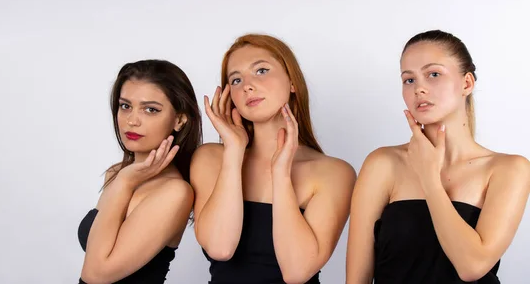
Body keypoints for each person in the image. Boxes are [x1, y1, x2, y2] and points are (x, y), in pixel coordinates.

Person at [345, 30, 530, 284]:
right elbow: (357, 279)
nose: (419, 88)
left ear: (466, 83)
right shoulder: (382, 163)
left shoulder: (509, 169)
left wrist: (430, 179)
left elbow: (471, 266)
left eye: (434, 74)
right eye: (408, 80)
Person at [190, 33, 357, 284]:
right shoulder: (210, 159)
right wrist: (234, 151)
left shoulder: (334, 173)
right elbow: (220, 248)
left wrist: (281, 173)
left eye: (261, 70)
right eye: (235, 79)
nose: (247, 85)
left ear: (292, 82)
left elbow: (297, 272)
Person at [77, 60, 202, 284]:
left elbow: (95, 274)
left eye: (150, 109)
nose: (132, 120)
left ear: (179, 119)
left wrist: (125, 182)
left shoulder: (175, 192)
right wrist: (123, 179)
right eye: (125, 106)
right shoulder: (116, 174)